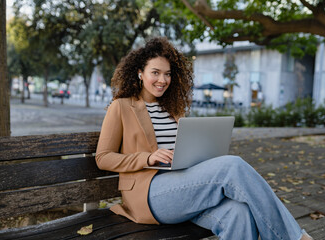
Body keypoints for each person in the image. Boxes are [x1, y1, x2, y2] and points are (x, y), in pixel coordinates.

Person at [95, 37, 313, 240]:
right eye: (156, 72)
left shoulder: (173, 110)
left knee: (239, 212)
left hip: (185, 187)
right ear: (140, 73)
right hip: (149, 194)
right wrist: (147, 158)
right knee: (232, 166)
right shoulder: (121, 106)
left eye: (168, 74)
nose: (163, 80)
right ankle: (294, 237)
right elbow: (103, 158)